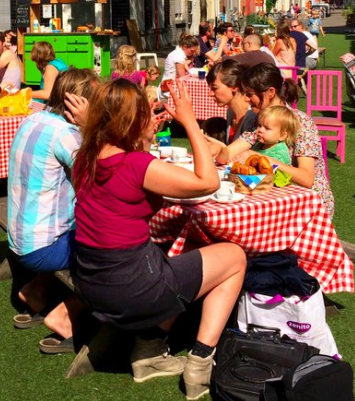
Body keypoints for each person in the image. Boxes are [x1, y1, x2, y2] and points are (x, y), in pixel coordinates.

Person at [71, 79, 246, 399]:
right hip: (132, 289)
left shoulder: (85, 156)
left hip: (90, 283)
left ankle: (148, 354)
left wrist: (143, 137)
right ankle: (201, 362)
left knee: (183, 252)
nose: (156, 119)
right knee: (235, 256)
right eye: (147, 114)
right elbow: (207, 182)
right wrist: (190, 121)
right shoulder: (136, 164)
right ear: (130, 122)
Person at [7, 69, 96, 352]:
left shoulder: (34, 119)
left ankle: (36, 290)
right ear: (78, 104)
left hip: (21, 237)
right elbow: (103, 179)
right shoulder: (66, 135)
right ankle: (65, 316)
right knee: (116, 252)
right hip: (42, 248)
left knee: (74, 223)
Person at [209, 63, 334, 218]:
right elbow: (228, 154)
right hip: (274, 197)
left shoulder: (300, 123)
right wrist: (212, 147)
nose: (246, 100)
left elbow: (306, 179)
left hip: (309, 204)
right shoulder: (257, 119)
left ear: (270, 92)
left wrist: (263, 158)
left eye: (250, 94)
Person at [236, 106, 301, 187]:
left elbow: (268, 171)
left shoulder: (280, 151)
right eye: (259, 125)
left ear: (282, 135)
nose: (260, 130)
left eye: (267, 128)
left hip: (273, 187)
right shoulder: (259, 145)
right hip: (257, 184)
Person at [205, 60, 258, 144]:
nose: (210, 94)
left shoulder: (252, 117)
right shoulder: (230, 112)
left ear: (234, 87)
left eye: (214, 88)